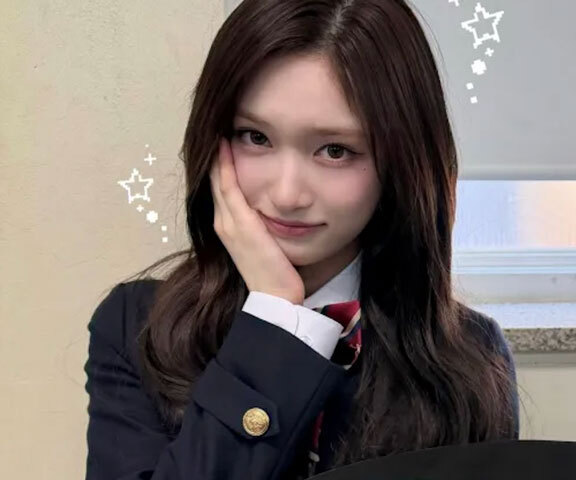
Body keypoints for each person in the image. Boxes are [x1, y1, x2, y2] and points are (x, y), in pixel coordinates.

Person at [84, 0, 519, 478]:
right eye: (255, 137)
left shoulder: (470, 356)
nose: (287, 195)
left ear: (401, 164)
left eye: (335, 150)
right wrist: (275, 315)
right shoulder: (137, 328)